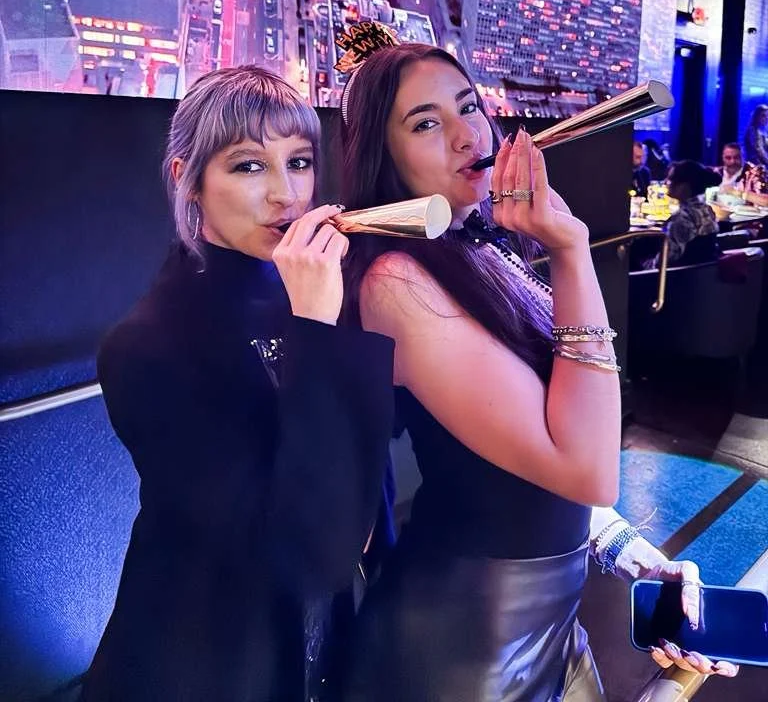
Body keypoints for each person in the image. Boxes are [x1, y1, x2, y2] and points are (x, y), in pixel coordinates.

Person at [337, 41, 736, 701]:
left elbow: (550, 435)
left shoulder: (479, 247)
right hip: (463, 655)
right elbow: (585, 463)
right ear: (385, 158)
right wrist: (572, 246)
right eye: (426, 122)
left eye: (470, 107)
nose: (468, 133)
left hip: (549, 625)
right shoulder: (394, 279)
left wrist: (620, 544)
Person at [81, 66, 395, 702]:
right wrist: (319, 329)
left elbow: (371, 497)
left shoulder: (307, 298)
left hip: (317, 660)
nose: (286, 195)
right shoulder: (148, 346)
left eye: (300, 162)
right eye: (249, 166)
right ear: (187, 180)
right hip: (201, 666)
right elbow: (317, 551)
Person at [645, 160, 720, 270]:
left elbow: (666, 259)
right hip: (701, 276)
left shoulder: (681, 219)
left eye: (671, 179)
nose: (666, 182)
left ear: (685, 186)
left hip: (674, 280)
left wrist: (645, 265)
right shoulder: (708, 210)